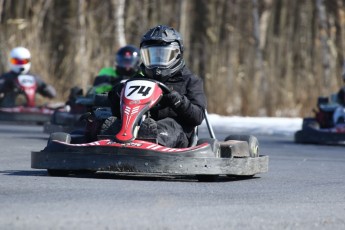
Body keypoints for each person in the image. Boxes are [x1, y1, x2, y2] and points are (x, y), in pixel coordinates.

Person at [102, 25, 207, 148]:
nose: (157, 60)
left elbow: (198, 117)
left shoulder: (190, 80)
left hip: (178, 134)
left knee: (167, 125)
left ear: (176, 54)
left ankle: (149, 140)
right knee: (112, 123)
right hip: (137, 130)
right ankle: (106, 145)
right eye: (152, 55)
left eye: (163, 55)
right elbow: (121, 113)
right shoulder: (138, 79)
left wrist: (177, 100)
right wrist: (116, 96)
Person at [83, 45, 142, 141]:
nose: (126, 66)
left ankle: (140, 133)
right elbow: (98, 89)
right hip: (112, 105)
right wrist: (114, 82)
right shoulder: (108, 72)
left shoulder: (141, 74)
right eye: (124, 61)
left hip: (134, 105)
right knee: (101, 113)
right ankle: (101, 132)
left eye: (129, 62)